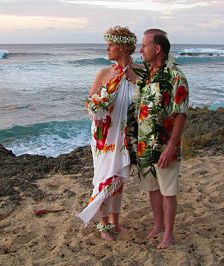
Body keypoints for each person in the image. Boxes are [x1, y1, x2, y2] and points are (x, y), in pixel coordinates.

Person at [76, 26, 142, 241]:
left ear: (122, 48)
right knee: (104, 176)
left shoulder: (141, 72)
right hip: (104, 136)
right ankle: (103, 225)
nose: (107, 48)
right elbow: (89, 102)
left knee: (119, 179)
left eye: (111, 45)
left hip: (127, 134)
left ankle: (115, 221)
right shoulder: (104, 73)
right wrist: (96, 111)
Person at [134, 28, 189, 249]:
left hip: (166, 144)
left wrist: (170, 147)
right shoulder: (147, 75)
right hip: (145, 143)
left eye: (144, 45)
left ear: (157, 49)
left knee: (168, 190)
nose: (141, 50)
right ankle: (157, 226)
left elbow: (181, 113)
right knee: (152, 187)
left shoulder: (176, 76)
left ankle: (168, 234)